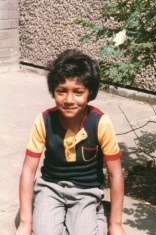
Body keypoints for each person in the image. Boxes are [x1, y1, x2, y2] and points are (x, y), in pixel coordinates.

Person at [15, 49, 126, 235]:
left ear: (90, 93)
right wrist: (26, 222)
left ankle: (100, 214)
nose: (69, 100)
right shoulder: (44, 120)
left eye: (78, 92)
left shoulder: (101, 122)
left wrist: (116, 224)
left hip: (85, 192)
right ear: (53, 91)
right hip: (50, 188)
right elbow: (28, 170)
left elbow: (116, 174)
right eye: (61, 91)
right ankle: (54, 213)